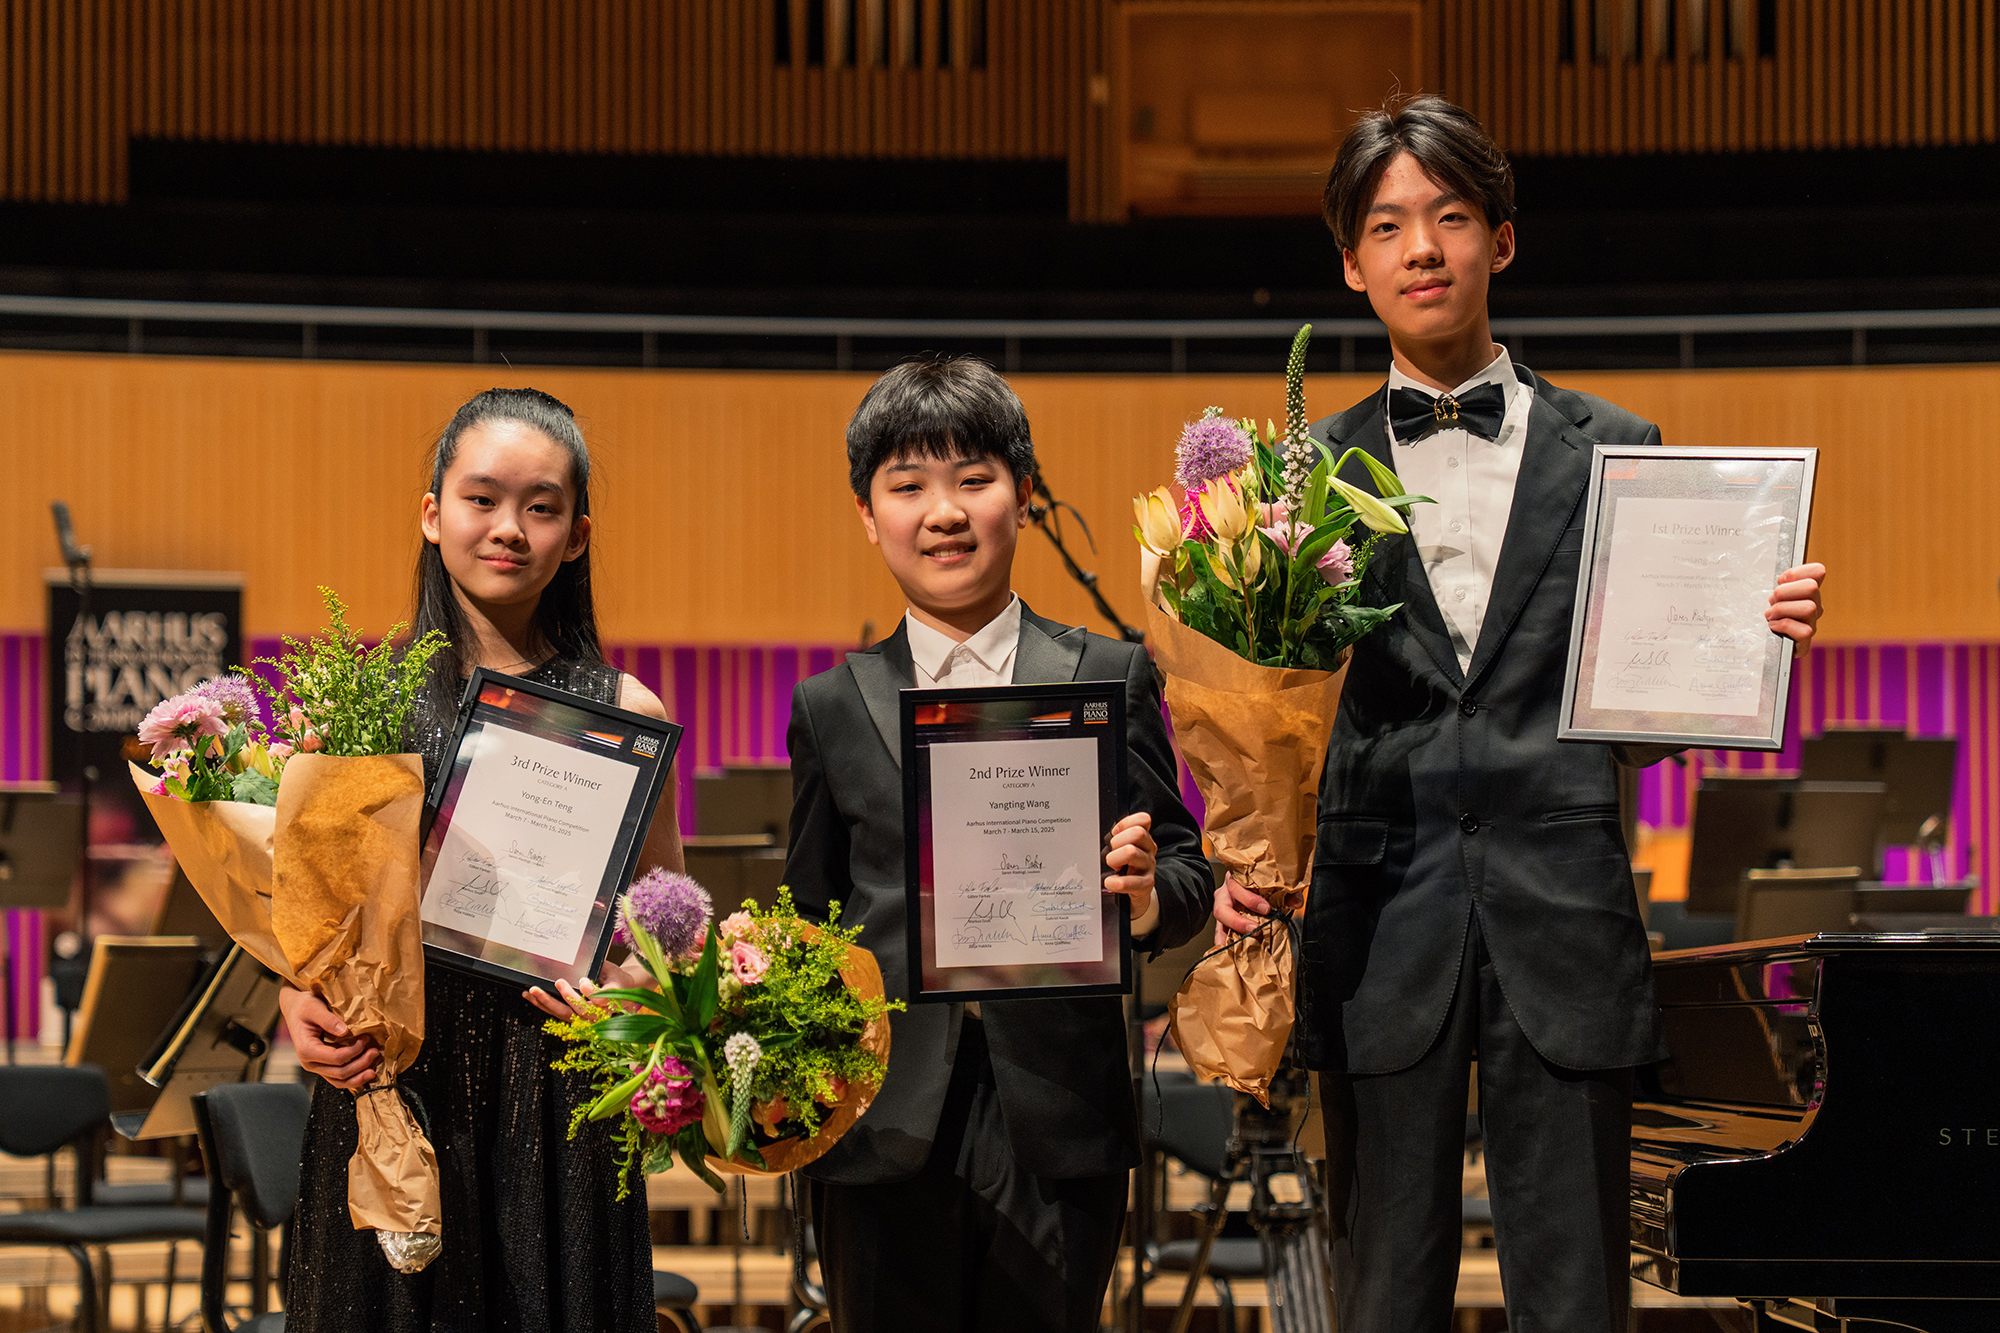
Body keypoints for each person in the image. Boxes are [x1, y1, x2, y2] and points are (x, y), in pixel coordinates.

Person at [1210, 97, 1827, 1333]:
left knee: (1577, 1296)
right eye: (1387, 226)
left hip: (1565, 918)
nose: (1420, 249)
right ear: (1351, 262)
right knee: (1384, 1293)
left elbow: (1637, 715)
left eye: (1448, 216)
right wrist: (1246, 857)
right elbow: (1263, 721)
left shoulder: (1621, 450)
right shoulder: (1291, 482)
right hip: (1381, 926)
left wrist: (1742, 638)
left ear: (1500, 239)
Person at [783, 355, 1213, 1333]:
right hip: (878, 1116)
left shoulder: (1106, 671)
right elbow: (806, 914)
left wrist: (1144, 893)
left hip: (1058, 1115)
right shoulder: (830, 705)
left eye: (973, 479)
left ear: (1022, 497)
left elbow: (1187, 873)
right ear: (866, 514)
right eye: (907, 486)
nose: (943, 511)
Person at [278, 388, 686, 1333]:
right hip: (390, 1095)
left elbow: (671, 912)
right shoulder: (353, 706)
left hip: (560, 1110)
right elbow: (297, 918)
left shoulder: (626, 708)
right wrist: (294, 996)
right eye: (482, 499)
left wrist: (635, 987)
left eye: (542, 507)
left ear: (577, 536)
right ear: (432, 514)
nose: (510, 528)